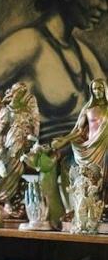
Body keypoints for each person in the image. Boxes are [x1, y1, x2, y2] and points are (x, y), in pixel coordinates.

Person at [0, 0, 108, 142]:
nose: (104, 6)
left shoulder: (86, 56)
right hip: (38, 155)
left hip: (82, 154)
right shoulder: (27, 43)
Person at [52, 78, 108, 220]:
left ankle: (103, 207)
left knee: (104, 177)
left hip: (105, 146)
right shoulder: (88, 108)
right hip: (90, 148)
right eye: (95, 89)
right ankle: (84, 209)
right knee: (87, 178)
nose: (98, 91)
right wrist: (64, 140)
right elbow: (78, 129)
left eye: (100, 88)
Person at [0, 82, 40, 218]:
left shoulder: (25, 110)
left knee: (19, 170)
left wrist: (31, 139)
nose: (20, 95)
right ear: (13, 93)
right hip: (11, 142)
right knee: (7, 171)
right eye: (18, 92)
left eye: (22, 93)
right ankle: (5, 200)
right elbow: (0, 129)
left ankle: (12, 201)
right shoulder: (6, 110)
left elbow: (32, 126)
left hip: (23, 143)